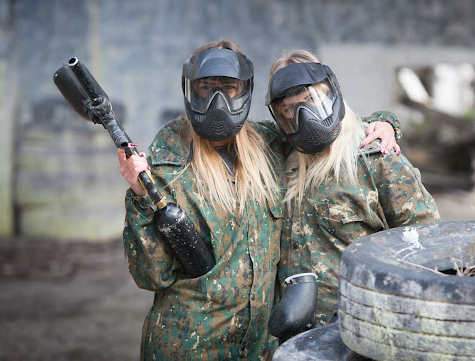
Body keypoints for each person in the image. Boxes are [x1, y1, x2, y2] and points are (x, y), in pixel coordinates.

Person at [118, 39, 401, 360]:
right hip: (190, 345)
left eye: (229, 88)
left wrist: (384, 121)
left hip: (259, 346)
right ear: (190, 91)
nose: (218, 100)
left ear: (246, 90)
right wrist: (140, 196)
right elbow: (151, 275)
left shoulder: (270, 145)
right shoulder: (170, 160)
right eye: (206, 88)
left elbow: (321, 122)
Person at [266, 50, 441, 327]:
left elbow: (429, 251)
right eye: (290, 110)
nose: (304, 116)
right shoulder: (276, 157)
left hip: (358, 330)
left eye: (311, 100)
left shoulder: (377, 160)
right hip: (293, 334)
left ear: (332, 93)